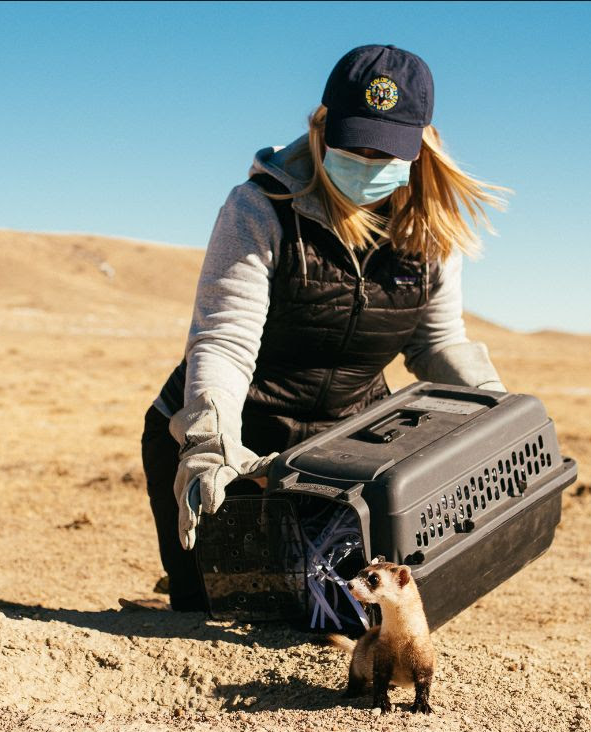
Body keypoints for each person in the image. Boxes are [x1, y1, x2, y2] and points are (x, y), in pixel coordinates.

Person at [141, 44, 509, 612]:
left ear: (420, 145)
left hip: (342, 455)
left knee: (332, 613)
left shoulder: (430, 233)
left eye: (385, 151)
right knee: (220, 610)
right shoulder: (258, 210)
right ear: (321, 128)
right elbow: (226, 340)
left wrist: (495, 410)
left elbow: (436, 343)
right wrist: (209, 443)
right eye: (353, 144)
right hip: (233, 449)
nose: (366, 161)